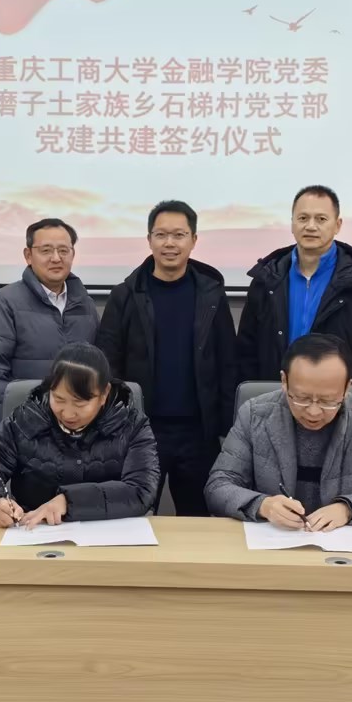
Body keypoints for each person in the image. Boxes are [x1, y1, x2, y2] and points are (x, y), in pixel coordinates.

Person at [96, 200, 236, 517]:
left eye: (179, 235)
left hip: (199, 433)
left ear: (193, 240)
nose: (169, 243)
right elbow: (108, 362)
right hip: (141, 430)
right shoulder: (125, 294)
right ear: (149, 240)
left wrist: (227, 427)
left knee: (198, 520)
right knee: (134, 516)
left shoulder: (211, 295)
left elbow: (227, 361)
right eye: (161, 235)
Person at [206, 333, 352, 528]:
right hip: (273, 544)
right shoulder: (254, 415)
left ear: (347, 387)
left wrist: (349, 509)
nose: (313, 411)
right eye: (301, 398)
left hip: (347, 550)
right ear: (284, 381)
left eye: (328, 401)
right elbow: (218, 486)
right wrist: (263, 505)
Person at [0, 343, 161, 528]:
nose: (68, 413)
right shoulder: (25, 422)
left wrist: (68, 501)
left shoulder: (131, 425)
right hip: (34, 537)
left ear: (104, 394)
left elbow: (141, 490)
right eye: (59, 399)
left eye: (80, 403)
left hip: (112, 542)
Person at [236, 185, 352, 408]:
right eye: (303, 218)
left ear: (338, 225)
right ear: (292, 223)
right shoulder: (267, 280)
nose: (311, 226)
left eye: (321, 219)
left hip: (338, 409)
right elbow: (246, 355)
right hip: (275, 406)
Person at [0, 218, 98, 434]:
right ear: (28, 255)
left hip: (77, 429)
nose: (56, 258)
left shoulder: (86, 305)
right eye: (46, 250)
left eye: (63, 250)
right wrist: (0, 436)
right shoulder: (3, 303)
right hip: (24, 429)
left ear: (73, 254)